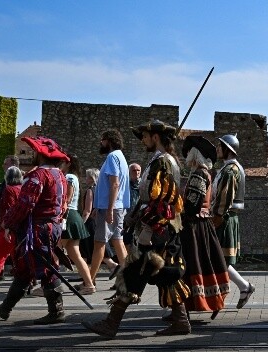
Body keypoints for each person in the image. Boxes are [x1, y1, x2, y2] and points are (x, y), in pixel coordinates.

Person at [83, 119, 191, 338]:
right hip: (157, 228)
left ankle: (112, 323)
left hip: (158, 230)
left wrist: (148, 229)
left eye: (145, 136)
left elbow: (162, 201)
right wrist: (135, 218)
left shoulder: (164, 162)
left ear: (156, 137)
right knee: (159, 274)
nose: (142, 140)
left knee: (136, 272)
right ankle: (179, 320)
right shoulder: (159, 160)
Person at [0, 137, 69, 325]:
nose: (32, 155)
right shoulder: (60, 175)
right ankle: (5, 308)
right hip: (51, 227)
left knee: (46, 269)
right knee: (24, 269)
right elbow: (63, 205)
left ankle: (57, 311)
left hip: (39, 229)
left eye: (34, 152)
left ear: (40, 155)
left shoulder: (38, 175)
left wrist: (8, 223)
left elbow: (25, 205)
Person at [179, 135, 230, 318]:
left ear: (195, 155)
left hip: (194, 226)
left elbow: (193, 204)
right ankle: (183, 307)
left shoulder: (199, 174)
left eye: (189, 154)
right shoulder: (203, 173)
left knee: (193, 265)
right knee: (201, 264)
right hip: (201, 225)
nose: (186, 159)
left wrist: (179, 211)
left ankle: (188, 307)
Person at [211, 134, 255, 308]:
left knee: (219, 259)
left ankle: (240, 287)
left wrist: (217, 216)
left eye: (219, 147)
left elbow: (225, 197)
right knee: (218, 259)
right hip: (224, 216)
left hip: (225, 217)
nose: (217, 149)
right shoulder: (227, 168)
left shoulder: (231, 170)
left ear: (227, 149)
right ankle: (244, 287)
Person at [87, 129, 130, 283]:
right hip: (115, 206)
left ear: (109, 140)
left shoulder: (112, 157)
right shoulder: (121, 157)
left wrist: (109, 209)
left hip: (110, 207)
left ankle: (89, 281)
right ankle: (127, 278)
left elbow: (114, 184)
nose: (101, 142)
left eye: (103, 139)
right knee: (118, 241)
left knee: (99, 243)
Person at [59, 154, 95, 295]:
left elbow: (66, 199)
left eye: (63, 161)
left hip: (68, 216)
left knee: (55, 252)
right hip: (73, 216)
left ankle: (48, 286)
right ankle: (89, 284)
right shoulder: (72, 177)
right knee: (75, 255)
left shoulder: (69, 178)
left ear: (68, 163)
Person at [124, 163, 142, 247]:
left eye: (138, 170)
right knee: (126, 241)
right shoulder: (125, 185)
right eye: (134, 170)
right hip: (127, 217)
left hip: (141, 218)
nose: (136, 172)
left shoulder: (144, 185)